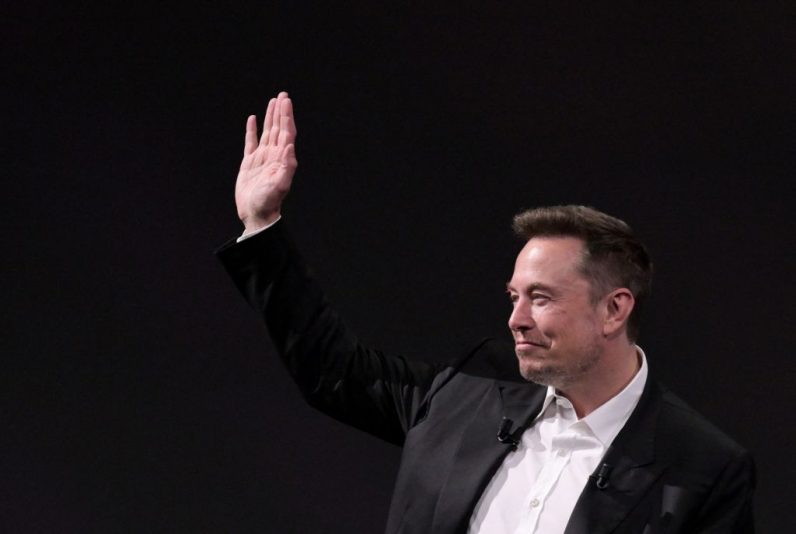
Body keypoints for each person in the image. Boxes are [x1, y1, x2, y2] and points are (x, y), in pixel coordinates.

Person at [217, 92, 755, 533]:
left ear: (614, 310)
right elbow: (332, 371)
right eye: (513, 297)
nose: (516, 319)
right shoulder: (470, 392)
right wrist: (263, 226)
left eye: (540, 298)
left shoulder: (703, 468)